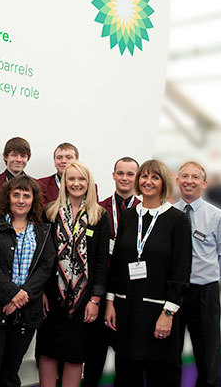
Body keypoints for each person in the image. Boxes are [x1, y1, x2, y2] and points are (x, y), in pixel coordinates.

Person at [105, 159, 192, 387]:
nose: (148, 182)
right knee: (126, 374)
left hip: (158, 311)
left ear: (163, 183)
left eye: (155, 177)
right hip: (127, 308)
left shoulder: (177, 220)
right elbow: (117, 264)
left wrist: (169, 313)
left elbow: (181, 270)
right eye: (144, 176)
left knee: (161, 376)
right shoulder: (128, 216)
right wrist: (111, 302)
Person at [0, 175, 54, 387]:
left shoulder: (43, 231)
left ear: (34, 200)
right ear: (8, 197)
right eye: (16, 195)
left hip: (25, 312)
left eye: (27, 195)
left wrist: (20, 297)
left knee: (10, 375)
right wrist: (12, 294)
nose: (21, 200)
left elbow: (46, 266)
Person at [37, 161, 109, 387]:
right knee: (47, 352)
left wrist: (96, 299)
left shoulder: (99, 215)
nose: (76, 183)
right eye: (71, 179)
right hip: (52, 296)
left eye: (81, 179)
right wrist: (40, 293)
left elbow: (100, 261)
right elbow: (42, 258)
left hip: (83, 299)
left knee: (75, 354)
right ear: (64, 183)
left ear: (89, 183)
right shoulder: (50, 212)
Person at [174, 162, 221, 387]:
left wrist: (209, 280)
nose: (189, 180)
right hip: (174, 293)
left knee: (208, 354)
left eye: (195, 177)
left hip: (203, 292)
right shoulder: (168, 214)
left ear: (204, 183)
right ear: (177, 180)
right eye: (185, 176)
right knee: (169, 353)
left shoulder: (217, 217)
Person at [84, 156, 140, 386]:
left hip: (130, 288)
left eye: (130, 174)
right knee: (95, 350)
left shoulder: (145, 211)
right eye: (121, 173)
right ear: (113, 175)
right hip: (101, 285)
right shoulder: (99, 209)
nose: (125, 178)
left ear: (136, 178)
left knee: (125, 352)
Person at [0, 137, 31, 214]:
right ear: (5, 156)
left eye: (23, 156)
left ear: (28, 158)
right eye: (14, 155)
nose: (19, 159)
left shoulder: (35, 185)